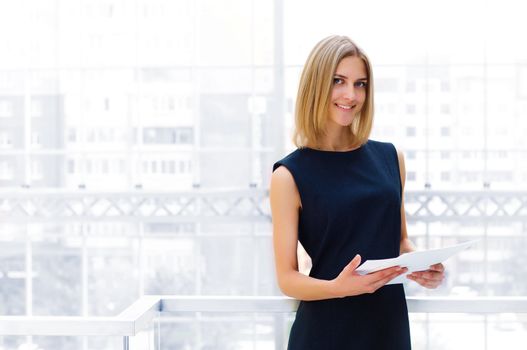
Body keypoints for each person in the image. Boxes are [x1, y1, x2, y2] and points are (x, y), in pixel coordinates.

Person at [269, 35, 445, 349]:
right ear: (316, 85)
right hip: (326, 329)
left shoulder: (391, 158)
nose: (351, 95)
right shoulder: (288, 175)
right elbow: (287, 278)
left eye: (360, 84)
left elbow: (400, 240)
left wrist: (422, 266)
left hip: (387, 326)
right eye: (339, 81)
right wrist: (340, 287)